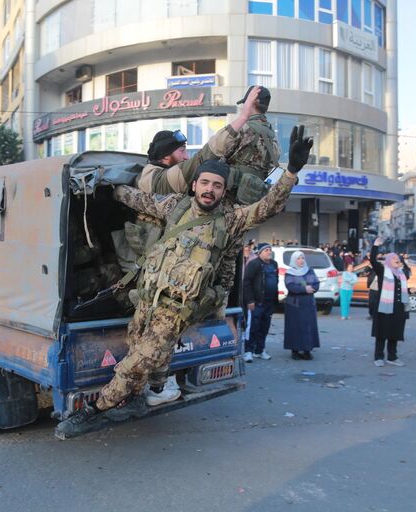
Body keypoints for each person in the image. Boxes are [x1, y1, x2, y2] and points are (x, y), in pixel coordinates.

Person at [54, 125, 314, 438]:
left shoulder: (229, 221)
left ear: (222, 190)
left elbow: (268, 207)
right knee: (136, 343)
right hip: (148, 299)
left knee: (137, 361)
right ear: (194, 185)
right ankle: (135, 400)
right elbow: (139, 200)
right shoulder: (174, 207)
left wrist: (291, 171)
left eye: (217, 185)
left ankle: (92, 412)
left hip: (174, 311)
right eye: (205, 182)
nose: (210, 189)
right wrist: (108, 188)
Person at [369, 237, 411, 367]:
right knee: (381, 333)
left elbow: (399, 290)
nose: (396, 260)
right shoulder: (382, 271)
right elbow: (372, 261)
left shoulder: (401, 274)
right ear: (388, 260)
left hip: (398, 308)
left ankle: (392, 357)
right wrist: (375, 246)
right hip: (384, 306)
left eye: (397, 258)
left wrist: (409, 290)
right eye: (393, 258)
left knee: (394, 333)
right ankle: (378, 356)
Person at [242, 243, 279, 362]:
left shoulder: (274, 264)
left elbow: (276, 280)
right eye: (266, 250)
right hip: (257, 303)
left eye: (270, 250)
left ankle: (260, 350)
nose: (269, 252)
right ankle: (248, 351)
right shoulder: (254, 264)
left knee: (264, 327)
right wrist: (250, 300)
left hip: (269, 303)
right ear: (260, 252)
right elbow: (246, 283)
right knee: (253, 327)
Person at [283, 251, 320, 360]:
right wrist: (305, 289)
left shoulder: (309, 270)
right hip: (294, 304)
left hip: (308, 303)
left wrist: (312, 289)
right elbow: (290, 286)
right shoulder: (289, 272)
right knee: (295, 327)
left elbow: (316, 283)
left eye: (302, 258)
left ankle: (307, 350)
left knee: (308, 327)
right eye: (298, 258)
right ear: (294, 260)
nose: (301, 261)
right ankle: (294, 350)